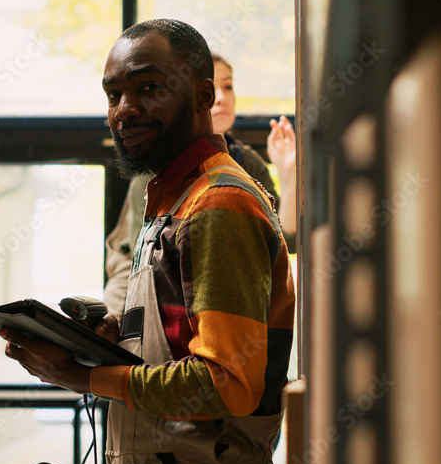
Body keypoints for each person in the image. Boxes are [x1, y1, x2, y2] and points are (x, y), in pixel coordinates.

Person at [0, 18, 295, 464]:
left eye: (149, 88)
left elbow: (227, 384)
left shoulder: (219, 203)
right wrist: (115, 338)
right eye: (113, 94)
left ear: (203, 97)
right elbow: (182, 341)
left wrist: (85, 379)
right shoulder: (171, 201)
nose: (125, 110)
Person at [103, 53, 296, 319]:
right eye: (213, 88)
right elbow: (142, 259)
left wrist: (288, 174)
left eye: (228, 86)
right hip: (142, 294)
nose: (222, 96)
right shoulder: (154, 164)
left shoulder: (244, 162)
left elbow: (285, 241)